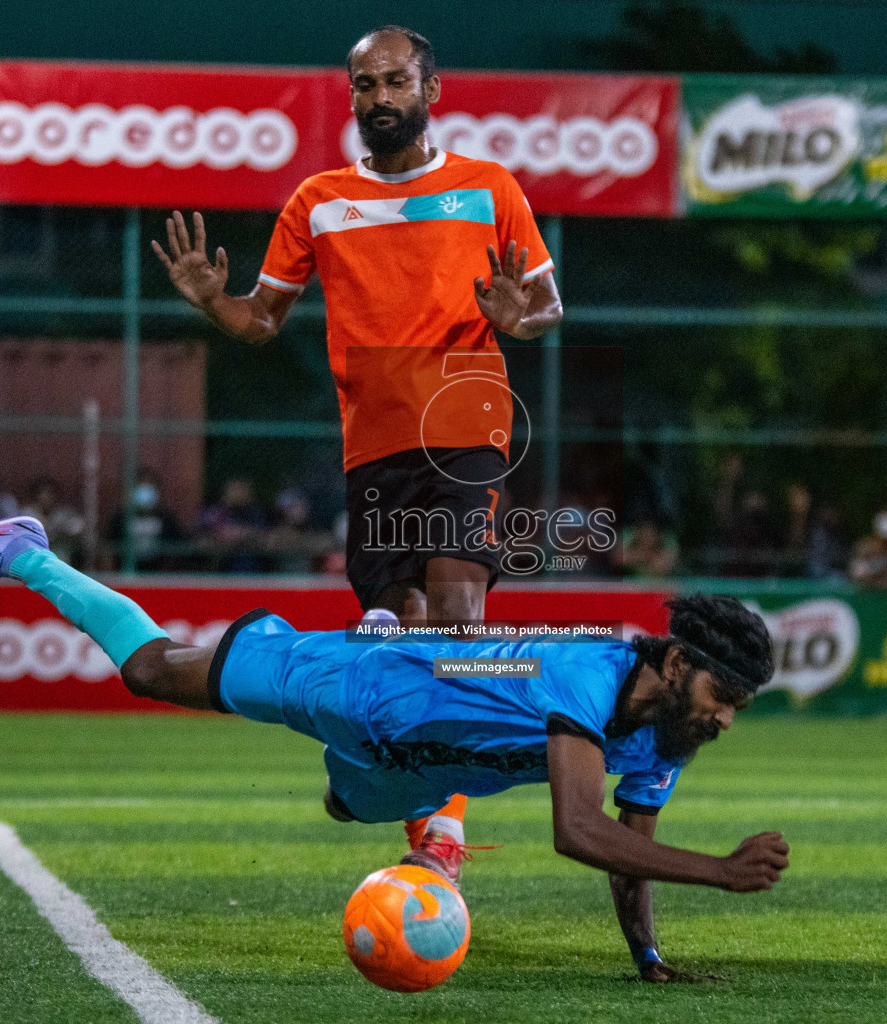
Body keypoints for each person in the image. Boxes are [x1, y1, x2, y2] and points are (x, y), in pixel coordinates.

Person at [0, 516, 789, 982]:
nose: (725, 720)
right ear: (675, 663)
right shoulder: (587, 678)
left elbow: (627, 851)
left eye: (739, 707)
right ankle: (27, 555)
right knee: (151, 671)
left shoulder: (665, 736)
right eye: (722, 698)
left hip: (411, 760)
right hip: (358, 687)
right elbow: (580, 833)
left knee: (341, 803)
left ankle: (428, 807)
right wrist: (720, 870)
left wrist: (648, 956)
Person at [150, 25, 564, 874]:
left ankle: (445, 835)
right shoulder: (318, 201)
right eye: (364, 86)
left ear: (431, 90)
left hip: (465, 429)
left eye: (394, 82)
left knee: (455, 618)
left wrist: (518, 316)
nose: (379, 98)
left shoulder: (490, 189)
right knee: (401, 634)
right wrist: (210, 302)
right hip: (373, 447)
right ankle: (422, 810)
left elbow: (546, 306)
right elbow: (261, 321)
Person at [106, 468, 186, 572]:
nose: (144, 495)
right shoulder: (120, 519)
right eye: (140, 490)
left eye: (149, 490)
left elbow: (178, 547)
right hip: (127, 573)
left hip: (158, 573)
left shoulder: (167, 519)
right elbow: (108, 548)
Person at [18, 476, 86, 565]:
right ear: (36, 496)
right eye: (43, 494)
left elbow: (78, 528)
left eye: (50, 494)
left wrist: (62, 533)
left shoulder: (64, 513)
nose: (47, 498)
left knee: (60, 556)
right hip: (33, 551)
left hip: (58, 550)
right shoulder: (27, 513)